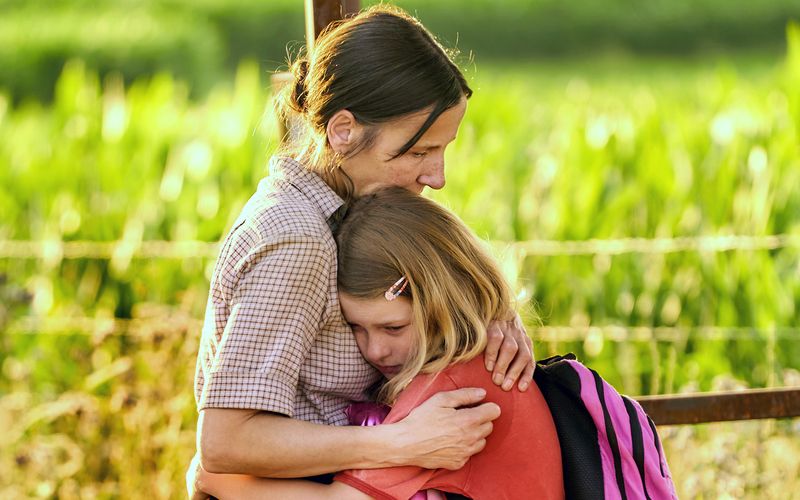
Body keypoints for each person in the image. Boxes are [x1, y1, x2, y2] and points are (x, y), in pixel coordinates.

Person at [190, 5, 535, 493]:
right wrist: (398, 444)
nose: (437, 177)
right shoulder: (297, 239)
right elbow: (226, 442)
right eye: (418, 152)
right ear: (343, 131)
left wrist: (495, 320)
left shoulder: (355, 206)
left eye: (442, 150)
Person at [195, 188, 564, 499]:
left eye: (394, 328)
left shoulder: (450, 391)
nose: (375, 350)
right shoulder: (476, 361)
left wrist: (213, 477)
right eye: (357, 327)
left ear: (443, 302)